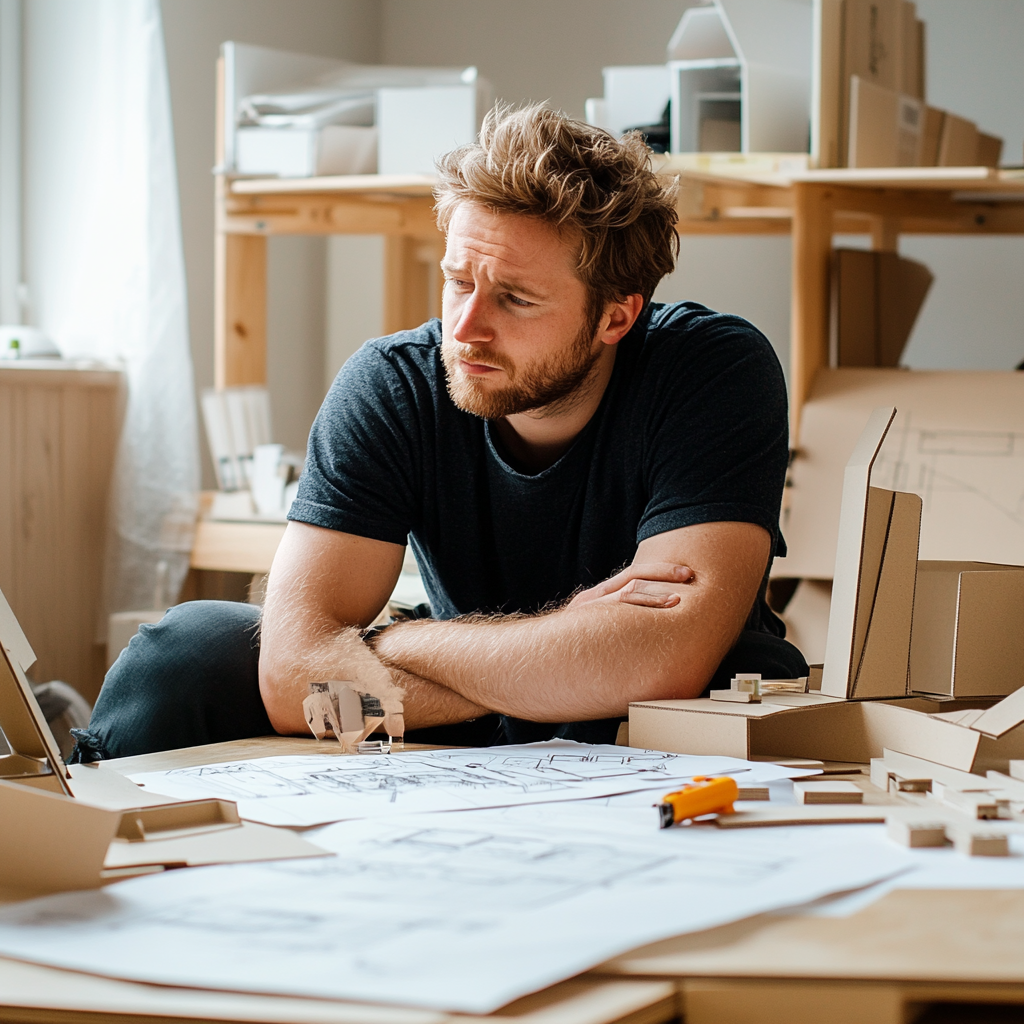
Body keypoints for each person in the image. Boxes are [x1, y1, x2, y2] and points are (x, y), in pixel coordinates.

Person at [70, 104, 806, 763]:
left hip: (638, 712)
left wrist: (391, 642)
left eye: (514, 299)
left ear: (617, 316)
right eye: (459, 281)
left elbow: (662, 660)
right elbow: (295, 676)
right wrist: (557, 665)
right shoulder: (393, 383)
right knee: (186, 652)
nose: (465, 328)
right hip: (481, 700)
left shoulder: (713, 369)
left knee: (733, 672)